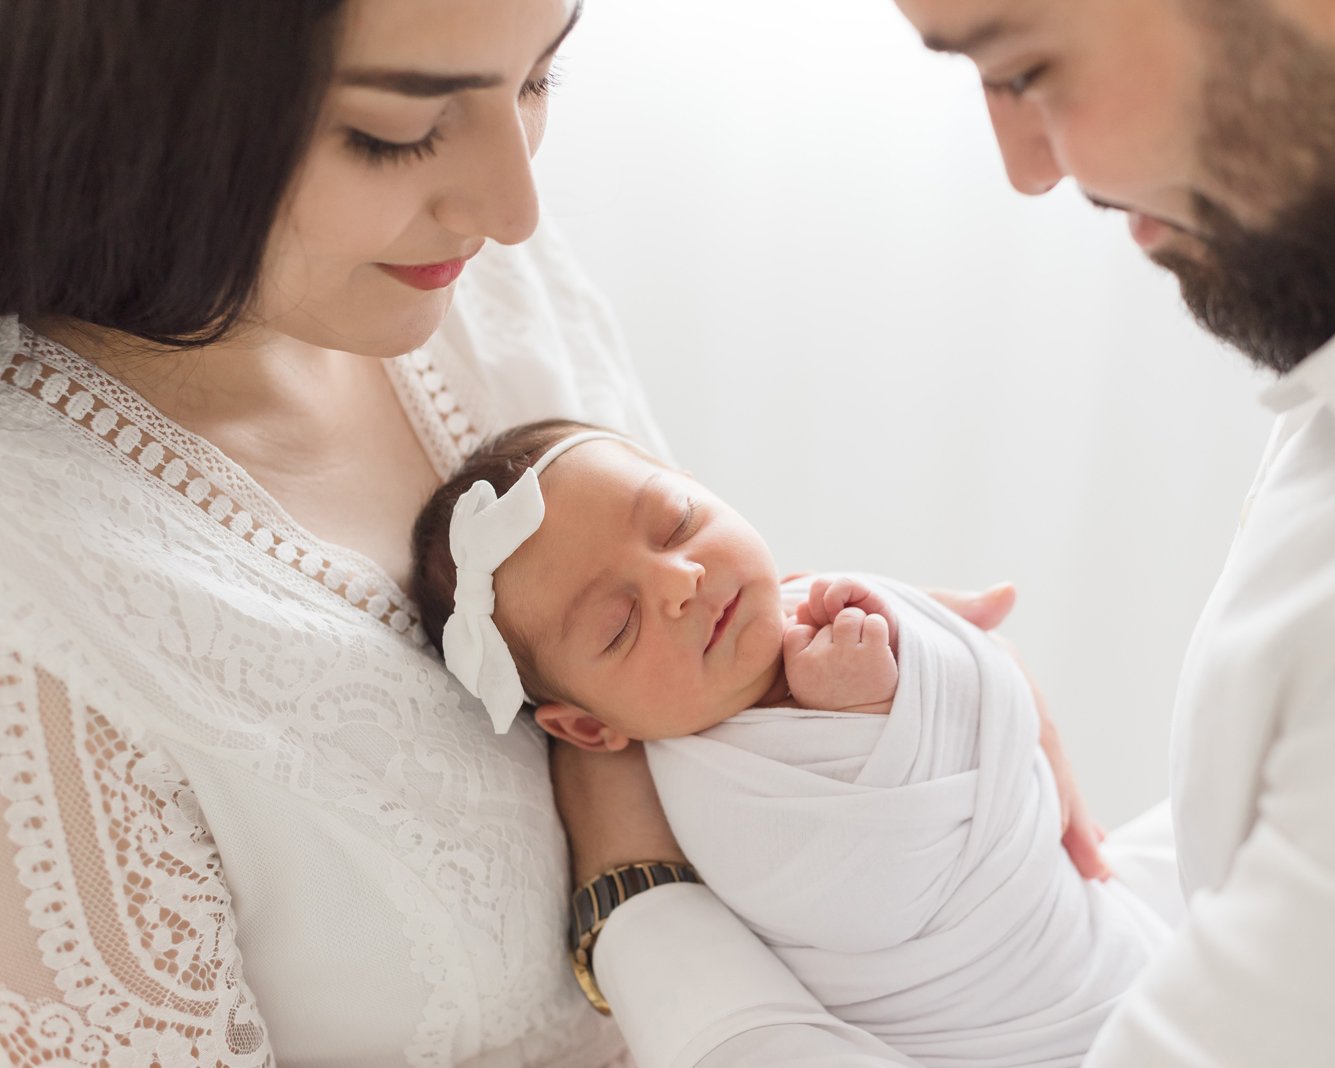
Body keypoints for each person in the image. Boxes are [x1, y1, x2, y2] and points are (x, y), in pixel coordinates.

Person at [0, 3, 1077, 1064]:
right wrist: (639, 914)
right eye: (395, 132)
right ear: (134, 110)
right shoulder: (41, 613)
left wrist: (902, 709)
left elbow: (670, 618)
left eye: (536, 79)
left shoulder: (453, 273)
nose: (514, 206)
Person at [554, 0, 1335, 1065]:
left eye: (1025, 69)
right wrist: (958, 783)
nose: (1031, 168)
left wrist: (636, 897)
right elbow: (1297, 892)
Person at [406, 419, 1169, 1066]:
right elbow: (876, 891)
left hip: (1109, 938)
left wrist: (938, 645)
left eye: (676, 522)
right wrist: (867, 710)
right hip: (1036, 1039)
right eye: (619, 625)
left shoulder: (808, 605)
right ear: (590, 730)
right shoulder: (719, 803)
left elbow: (983, 678)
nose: (681, 578)